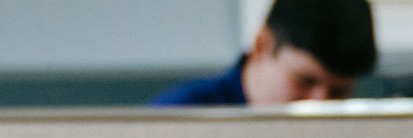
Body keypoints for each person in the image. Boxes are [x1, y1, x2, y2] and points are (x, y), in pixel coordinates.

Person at [152, 0, 377, 106]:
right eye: (304, 81)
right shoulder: (181, 115)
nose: (319, 105)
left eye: (339, 92)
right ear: (262, 45)